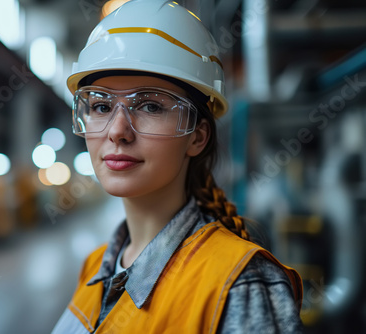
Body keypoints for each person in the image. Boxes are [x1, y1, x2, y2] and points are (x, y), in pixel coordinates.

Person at [52, 0, 303, 333]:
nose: (117, 131)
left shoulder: (238, 285)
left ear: (197, 137)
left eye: (151, 106)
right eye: (100, 106)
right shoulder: (95, 267)